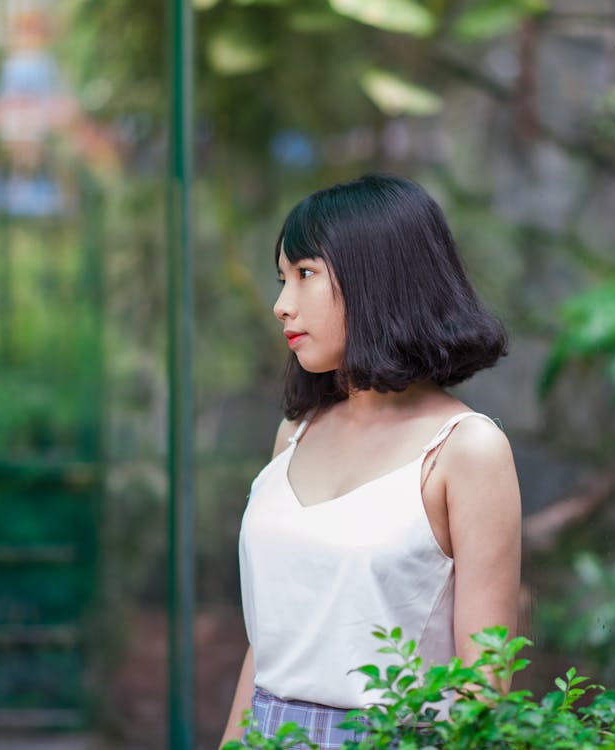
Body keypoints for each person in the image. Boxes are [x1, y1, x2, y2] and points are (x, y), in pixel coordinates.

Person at [220, 174, 522, 748]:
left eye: (305, 275)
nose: (282, 305)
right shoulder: (293, 436)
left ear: (377, 281)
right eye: (282, 279)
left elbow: (485, 686)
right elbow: (268, 646)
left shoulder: (465, 450)